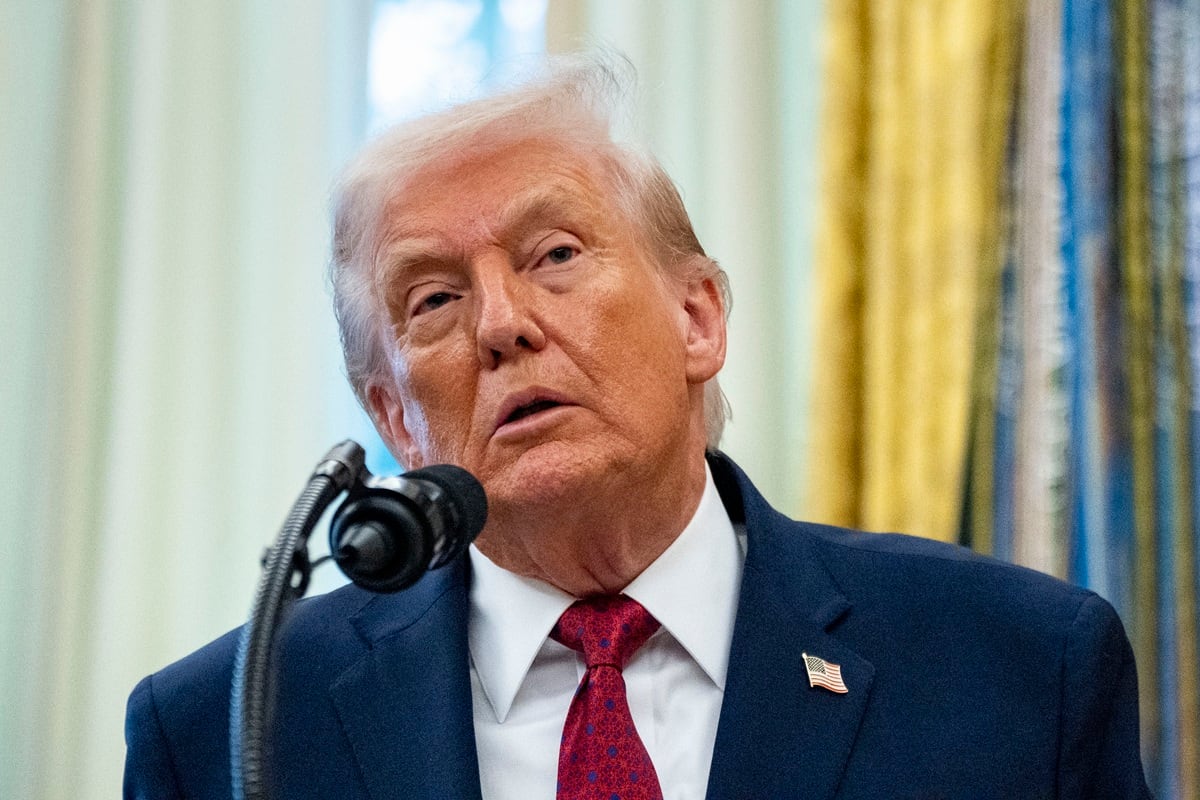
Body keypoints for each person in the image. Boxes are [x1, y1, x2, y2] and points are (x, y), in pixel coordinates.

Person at [124, 54, 1152, 799]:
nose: (502, 324)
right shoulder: (226, 727)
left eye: (556, 253)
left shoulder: (1021, 668)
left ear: (697, 317)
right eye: (432, 301)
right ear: (394, 412)